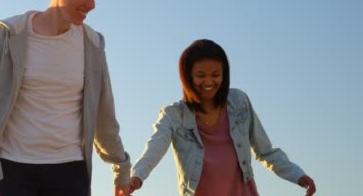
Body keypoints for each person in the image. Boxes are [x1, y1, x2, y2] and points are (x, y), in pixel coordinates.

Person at [0, 0, 131, 196]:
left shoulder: (92, 45)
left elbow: (104, 117)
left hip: (69, 171)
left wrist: (121, 168)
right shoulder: (10, 35)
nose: (91, 4)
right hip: (11, 169)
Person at [129, 39, 316, 196]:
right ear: (188, 76)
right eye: (201, 75)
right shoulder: (173, 115)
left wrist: (297, 175)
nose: (209, 82)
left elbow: (265, 151)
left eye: (216, 75)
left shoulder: (239, 102)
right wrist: (134, 179)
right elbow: (153, 151)